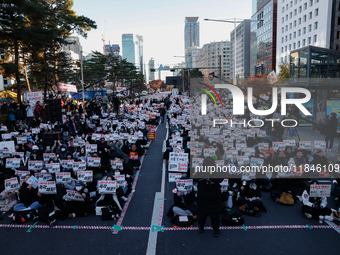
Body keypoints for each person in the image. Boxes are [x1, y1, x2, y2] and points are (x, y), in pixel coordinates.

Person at [196, 157, 222, 237]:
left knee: (202, 213)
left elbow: (194, 179)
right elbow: (222, 178)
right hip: (214, 197)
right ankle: (216, 230)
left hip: (202, 197)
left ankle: (201, 227)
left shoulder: (200, 172)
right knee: (215, 214)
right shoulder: (217, 173)